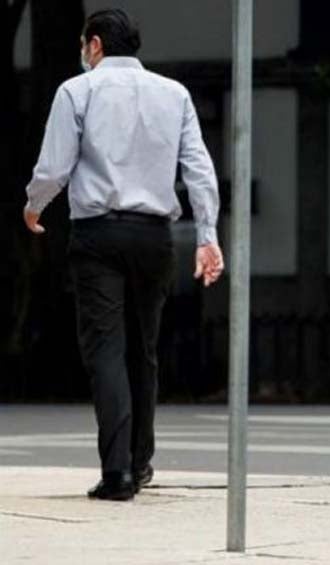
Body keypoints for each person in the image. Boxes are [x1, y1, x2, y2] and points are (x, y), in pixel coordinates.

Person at [23, 9, 223, 501]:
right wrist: (207, 235)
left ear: (93, 45)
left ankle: (117, 474)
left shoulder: (77, 90)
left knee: (106, 350)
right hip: (155, 235)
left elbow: (54, 166)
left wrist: (34, 205)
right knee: (144, 349)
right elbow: (198, 167)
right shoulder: (174, 94)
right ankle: (141, 461)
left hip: (97, 236)